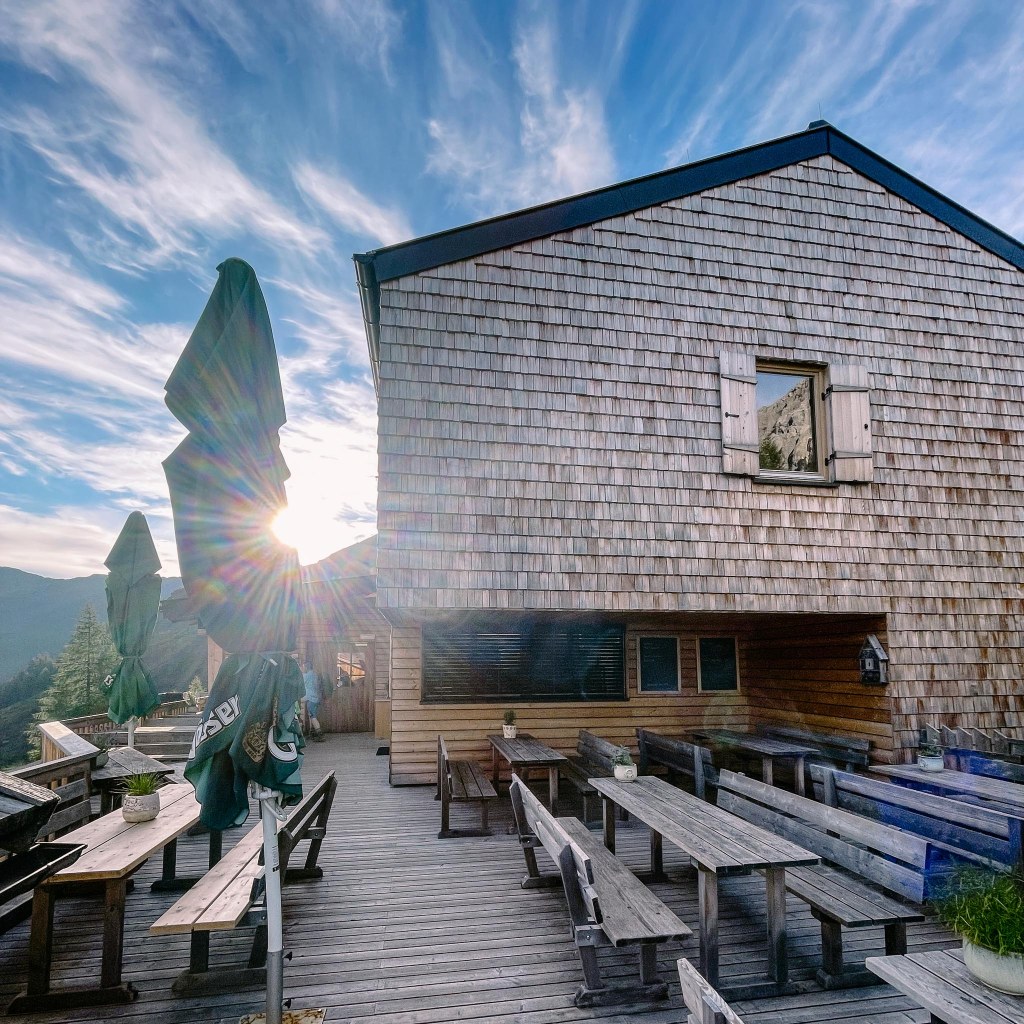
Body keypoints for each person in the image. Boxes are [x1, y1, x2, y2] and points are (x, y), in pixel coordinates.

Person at [302, 661, 325, 741]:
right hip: (316, 698)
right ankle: (313, 733)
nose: (302, 668)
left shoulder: (306, 676)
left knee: (313, 716)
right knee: (313, 716)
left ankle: (320, 735)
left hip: (311, 699)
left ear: (306, 667)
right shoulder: (315, 675)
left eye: (303, 667)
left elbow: (298, 682)